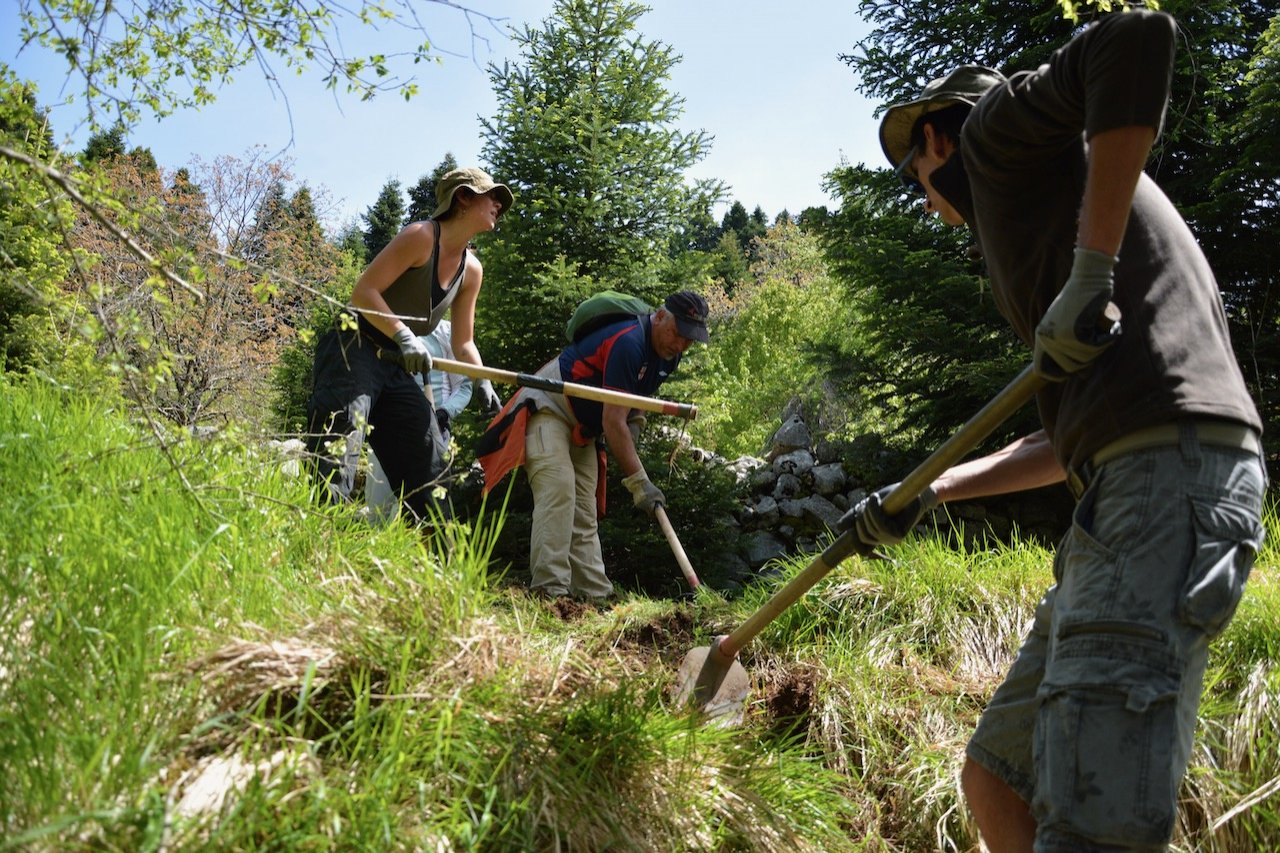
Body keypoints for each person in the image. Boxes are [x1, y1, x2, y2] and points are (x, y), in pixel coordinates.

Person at [848, 10, 1265, 851]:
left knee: (1091, 822)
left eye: (914, 173)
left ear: (937, 140)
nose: (926, 201)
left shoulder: (997, 141)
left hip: (1166, 485)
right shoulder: (1038, 207)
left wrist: (1091, 272)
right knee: (1000, 776)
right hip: (1121, 489)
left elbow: (1136, 39)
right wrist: (932, 490)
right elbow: (1057, 443)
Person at [306, 167, 509, 523]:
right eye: (490, 195)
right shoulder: (421, 237)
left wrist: (483, 380)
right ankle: (315, 552)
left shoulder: (471, 270)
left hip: (395, 365)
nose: (497, 205)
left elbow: (463, 343)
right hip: (354, 347)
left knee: (428, 459)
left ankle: (439, 569)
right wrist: (404, 334)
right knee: (339, 446)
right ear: (462, 197)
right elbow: (363, 291)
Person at [478, 291, 710, 600]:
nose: (680, 344)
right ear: (660, 316)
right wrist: (640, 483)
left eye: (689, 340)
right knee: (558, 490)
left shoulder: (669, 356)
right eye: (677, 333)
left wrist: (636, 423)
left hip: (584, 427)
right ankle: (550, 592)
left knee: (584, 510)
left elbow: (637, 398)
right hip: (547, 406)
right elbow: (614, 421)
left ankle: (595, 596)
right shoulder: (628, 342)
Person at [365, 319, 473, 523]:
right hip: (388, 430)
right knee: (378, 509)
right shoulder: (390, 327)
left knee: (424, 506)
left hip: (432, 431)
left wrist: (444, 413)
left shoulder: (447, 331)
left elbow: (464, 387)